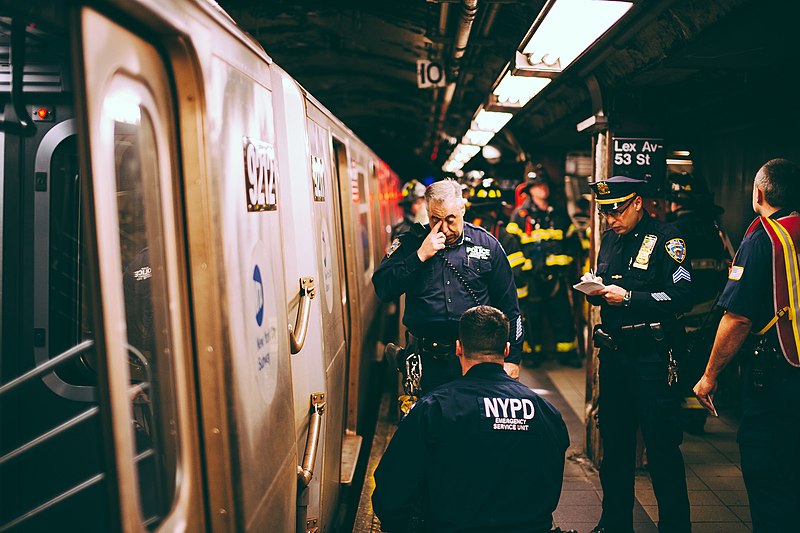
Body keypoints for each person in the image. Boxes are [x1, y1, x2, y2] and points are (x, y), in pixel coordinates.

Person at [372, 305, 572, 533]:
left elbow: (390, 494)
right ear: (506, 350)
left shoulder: (433, 409)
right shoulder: (546, 413)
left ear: (459, 348)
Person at [693, 158, 800, 532]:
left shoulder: (762, 238)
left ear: (759, 193)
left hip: (777, 376)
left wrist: (708, 376)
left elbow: (737, 318)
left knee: (768, 470)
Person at [583, 175, 692, 533]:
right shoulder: (610, 242)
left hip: (652, 358)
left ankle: (675, 526)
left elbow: (681, 297)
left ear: (637, 203)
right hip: (615, 358)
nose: (610, 220)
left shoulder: (667, 238)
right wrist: (595, 290)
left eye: (615, 211)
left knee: (661, 449)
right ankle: (614, 522)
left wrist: (629, 298)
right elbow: (606, 283)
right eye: (604, 213)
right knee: (614, 448)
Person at [372, 179, 523, 393]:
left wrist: (513, 359)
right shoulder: (410, 244)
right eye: (435, 219)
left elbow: (510, 308)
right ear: (427, 211)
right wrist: (419, 256)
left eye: (451, 219)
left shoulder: (487, 245)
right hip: (427, 361)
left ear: (462, 208)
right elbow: (383, 288)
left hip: (477, 361)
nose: (444, 228)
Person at [666, 172, 731, 433]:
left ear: (675, 201)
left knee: (679, 366)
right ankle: (697, 419)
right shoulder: (715, 229)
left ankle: (680, 419)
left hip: (684, 313)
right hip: (712, 312)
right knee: (702, 365)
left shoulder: (674, 231)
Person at [506, 168, 582, 367]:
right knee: (532, 317)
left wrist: (566, 263)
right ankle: (532, 355)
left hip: (557, 277)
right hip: (531, 278)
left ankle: (567, 353)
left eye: (545, 185)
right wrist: (522, 272)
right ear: (530, 190)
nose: (543, 189)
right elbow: (511, 247)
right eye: (538, 186)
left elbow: (573, 241)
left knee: (563, 315)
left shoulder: (558, 213)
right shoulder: (520, 215)